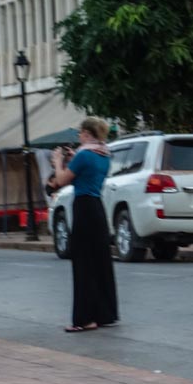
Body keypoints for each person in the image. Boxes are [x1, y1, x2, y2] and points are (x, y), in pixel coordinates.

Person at [51, 116, 119, 333]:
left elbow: (61, 180)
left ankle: (85, 318)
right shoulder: (104, 155)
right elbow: (86, 169)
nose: (79, 136)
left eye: (80, 133)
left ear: (88, 134)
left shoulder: (84, 156)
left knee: (82, 263)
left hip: (83, 207)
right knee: (100, 262)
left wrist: (57, 162)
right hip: (98, 208)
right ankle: (105, 313)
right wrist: (74, 157)